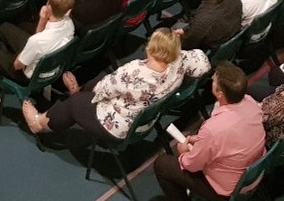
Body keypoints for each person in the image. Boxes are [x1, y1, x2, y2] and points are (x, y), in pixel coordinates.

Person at [22, 28, 211, 142]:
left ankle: (38, 123)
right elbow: (204, 63)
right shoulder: (179, 60)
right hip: (145, 119)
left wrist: (85, 97)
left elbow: (102, 90)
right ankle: (76, 95)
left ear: (151, 48)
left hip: (118, 125)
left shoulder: (134, 72)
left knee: (76, 102)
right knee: (88, 94)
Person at [152, 61, 265, 201]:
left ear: (220, 94)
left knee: (162, 164)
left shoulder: (213, 128)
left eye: (214, 81)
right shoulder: (250, 103)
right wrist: (204, 141)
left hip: (227, 188)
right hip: (253, 175)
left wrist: (183, 153)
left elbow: (192, 164)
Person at [0, 0, 77, 124]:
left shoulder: (36, 41)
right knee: (3, 27)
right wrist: (42, 20)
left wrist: (21, 55)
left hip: (25, 74)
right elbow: (38, 40)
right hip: (49, 66)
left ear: (49, 6)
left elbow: (17, 65)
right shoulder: (69, 24)